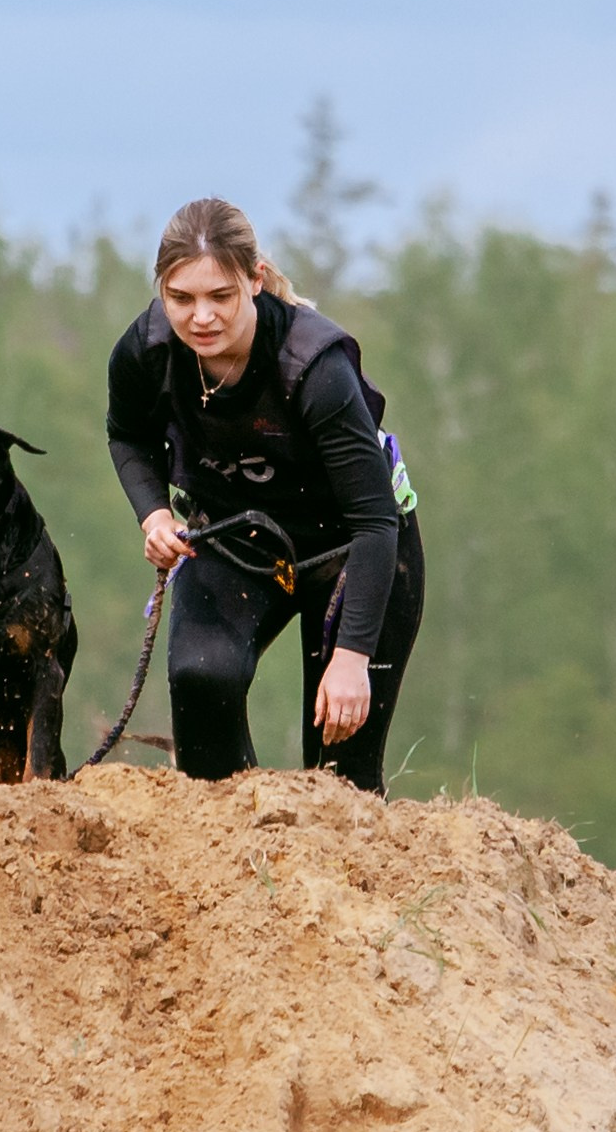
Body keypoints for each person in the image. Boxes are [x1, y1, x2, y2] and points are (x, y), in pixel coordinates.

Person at [106, 197, 424, 794]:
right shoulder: (145, 352)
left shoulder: (314, 366)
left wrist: (352, 658)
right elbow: (127, 435)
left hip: (355, 553)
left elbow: (376, 521)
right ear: (161, 292)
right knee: (202, 680)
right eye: (181, 298)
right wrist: (153, 515)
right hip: (237, 540)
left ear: (254, 281)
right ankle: (241, 858)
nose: (201, 317)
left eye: (220, 296)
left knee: (341, 775)